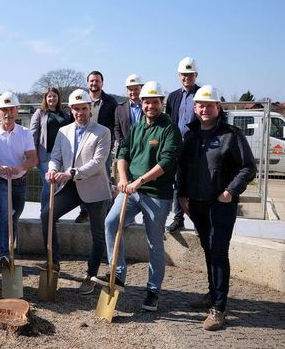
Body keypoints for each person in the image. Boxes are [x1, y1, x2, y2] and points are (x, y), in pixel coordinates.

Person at [93, 81, 182, 312]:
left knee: (154, 243)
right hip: (130, 191)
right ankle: (118, 273)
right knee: (111, 222)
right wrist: (123, 179)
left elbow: (166, 161)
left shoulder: (169, 129)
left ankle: (153, 291)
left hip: (156, 195)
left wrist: (140, 181)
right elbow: (123, 152)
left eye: (155, 101)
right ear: (140, 103)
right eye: (146, 101)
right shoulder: (138, 126)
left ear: (161, 103)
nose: (150, 105)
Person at [178, 85, 256, 331]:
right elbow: (183, 169)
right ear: (195, 108)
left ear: (218, 108)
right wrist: (181, 195)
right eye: (200, 105)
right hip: (197, 204)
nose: (204, 109)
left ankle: (219, 308)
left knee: (219, 253)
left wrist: (230, 191)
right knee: (208, 249)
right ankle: (212, 294)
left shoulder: (231, 135)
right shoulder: (190, 136)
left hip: (220, 204)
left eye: (209, 105)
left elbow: (248, 167)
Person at [41, 89, 112, 295]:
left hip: (95, 189)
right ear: (70, 110)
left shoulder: (102, 132)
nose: (80, 112)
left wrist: (72, 172)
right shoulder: (64, 131)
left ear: (90, 108)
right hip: (70, 186)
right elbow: (55, 156)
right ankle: (53, 262)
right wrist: (53, 169)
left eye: (84, 108)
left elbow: (98, 163)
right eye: (76, 109)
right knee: (47, 215)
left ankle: (91, 275)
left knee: (97, 235)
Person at [0, 91, 38, 270]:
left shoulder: (25, 133)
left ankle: (9, 245)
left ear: (17, 110)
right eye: (4, 109)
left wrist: (20, 168)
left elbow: (32, 159)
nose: (8, 113)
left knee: (15, 214)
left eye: (11, 109)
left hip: (20, 180)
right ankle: (4, 254)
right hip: (0, 181)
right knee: (5, 212)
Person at [76, 70, 118, 223]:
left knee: (104, 180)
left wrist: (112, 142)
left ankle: (106, 212)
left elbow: (115, 125)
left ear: (102, 83)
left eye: (97, 81)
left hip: (103, 148)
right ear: (88, 83)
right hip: (82, 148)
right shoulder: (81, 100)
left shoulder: (110, 102)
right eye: (91, 81)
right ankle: (84, 211)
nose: (94, 83)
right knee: (81, 177)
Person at [165, 57, 201, 233]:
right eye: (183, 74)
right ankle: (178, 218)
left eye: (190, 74)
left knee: (195, 183)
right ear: (179, 75)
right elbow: (170, 121)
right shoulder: (173, 97)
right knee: (178, 183)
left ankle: (198, 219)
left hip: (197, 147)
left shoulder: (202, 94)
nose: (186, 77)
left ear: (195, 75)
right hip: (178, 147)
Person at [30, 87, 72, 214]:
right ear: (45, 98)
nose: (52, 98)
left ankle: (54, 213)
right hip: (45, 155)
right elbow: (33, 134)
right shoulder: (40, 113)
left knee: (58, 186)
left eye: (54, 96)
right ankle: (44, 213)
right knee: (49, 184)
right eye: (49, 96)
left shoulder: (65, 115)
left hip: (61, 156)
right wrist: (34, 154)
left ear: (58, 98)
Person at [113, 74, 144, 154]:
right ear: (127, 91)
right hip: (125, 151)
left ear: (142, 88)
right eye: (130, 89)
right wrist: (124, 145)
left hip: (144, 150)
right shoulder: (120, 108)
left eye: (136, 89)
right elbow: (117, 128)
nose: (133, 92)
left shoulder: (147, 108)